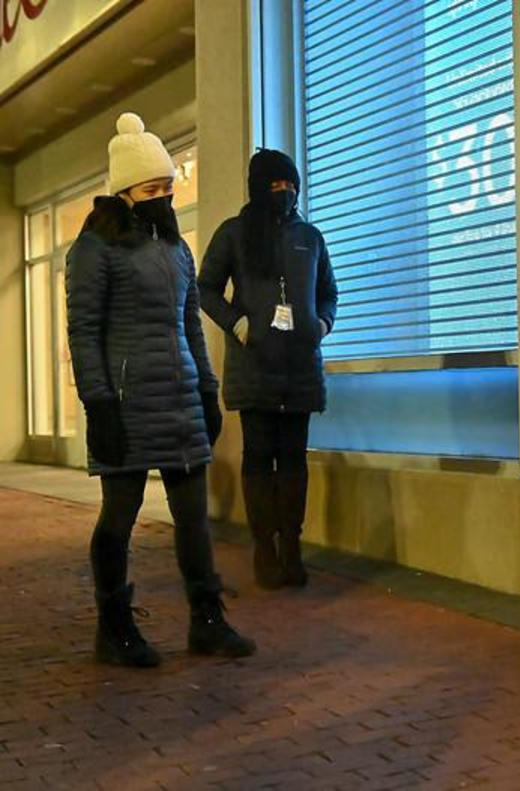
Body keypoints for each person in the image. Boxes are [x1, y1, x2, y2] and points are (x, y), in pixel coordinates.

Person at [67, 112, 257, 668]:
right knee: (118, 519)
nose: (164, 198)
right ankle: (114, 625)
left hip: (179, 404)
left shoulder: (176, 249)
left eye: (169, 188)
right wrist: (97, 403)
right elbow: (83, 331)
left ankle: (207, 620)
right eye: (152, 189)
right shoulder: (94, 249)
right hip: (126, 407)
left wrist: (206, 388)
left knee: (194, 519)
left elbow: (191, 324)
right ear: (124, 192)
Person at [198, 149, 337, 589]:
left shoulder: (310, 238)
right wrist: (238, 324)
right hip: (254, 366)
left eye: (290, 183)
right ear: (258, 187)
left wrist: (321, 323)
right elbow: (206, 288)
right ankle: (265, 549)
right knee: (259, 459)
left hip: (300, 367)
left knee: (294, 461)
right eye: (276, 184)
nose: (285, 191)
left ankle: (292, 548)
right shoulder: (235, 234)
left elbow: (329, 292)